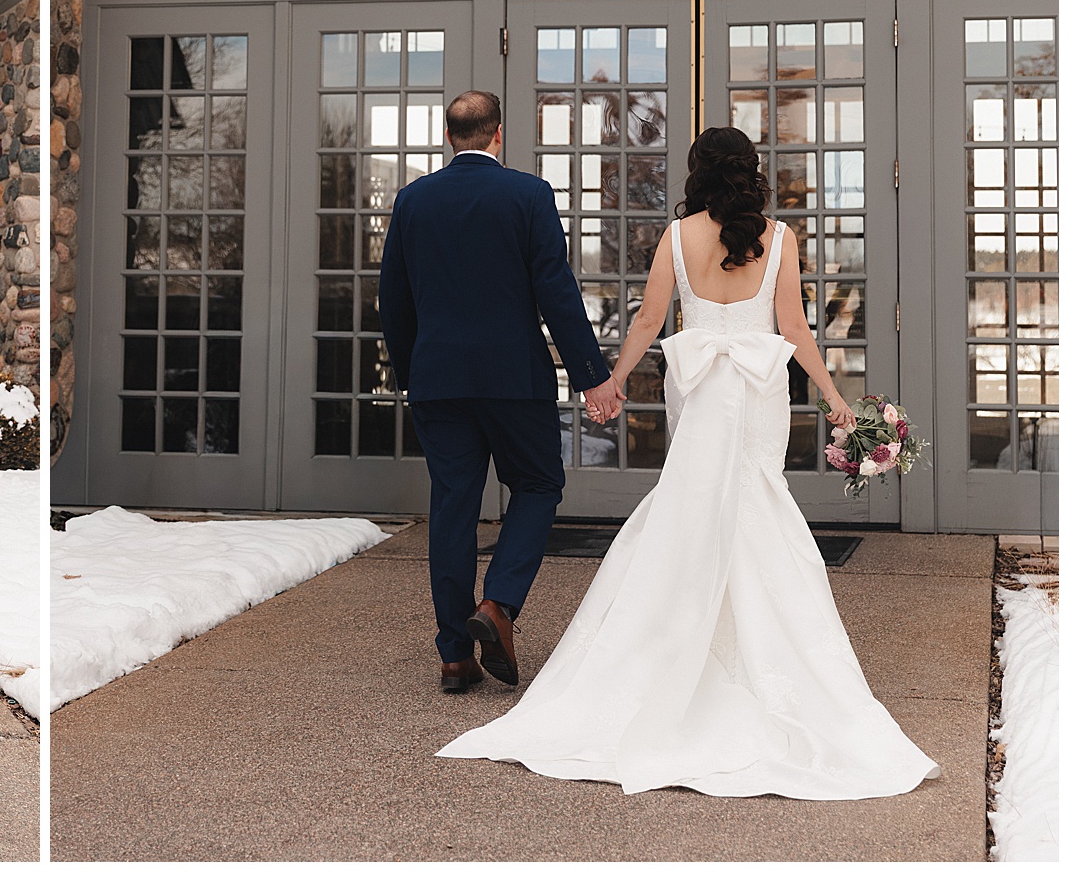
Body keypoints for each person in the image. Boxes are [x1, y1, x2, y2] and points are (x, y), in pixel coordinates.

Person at [438, 126, 941, 797]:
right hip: (757, 390)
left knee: (693, 501)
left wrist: (610, 381)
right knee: (755, 501)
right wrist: (834, 400)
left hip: (703, 389)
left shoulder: (677, 237)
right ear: (752, 173)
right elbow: (793, 330)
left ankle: (666, 666)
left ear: (696, 172)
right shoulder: (782, 238)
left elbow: (648, 320)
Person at [379, 90, 622, 693]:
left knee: (453, 506)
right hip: (514, 379)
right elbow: (556, 293)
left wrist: (415, 377)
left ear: (449, 136)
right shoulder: (529, 194)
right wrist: (593, 375)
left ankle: (455, 657)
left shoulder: (413, 201)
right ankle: (499, 605)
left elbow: (394, 302)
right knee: (538, 485)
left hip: (439, 382)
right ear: (498, 135)